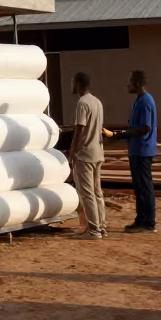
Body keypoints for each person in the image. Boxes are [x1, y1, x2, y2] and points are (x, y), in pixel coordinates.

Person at [68, 72, 107, 240]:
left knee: (87, 193)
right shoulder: (97, 101)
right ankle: (102, 227)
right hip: (98, 152)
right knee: (97, 192)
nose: (71, 86)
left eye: (72, 82)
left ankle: (93, 230)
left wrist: (72, 152)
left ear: (78, 84)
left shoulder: (82, 103)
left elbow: (79, 129)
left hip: (85, 153)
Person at [120, 70, 158, 233]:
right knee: (139, 186)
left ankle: (148, 222)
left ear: (136, 83)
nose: (127, 85)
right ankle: (141, 218)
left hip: (142, 150)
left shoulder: (145, 102)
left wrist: (126, 133)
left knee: (144, 186)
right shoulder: (138, 101)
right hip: (136, 150)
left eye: (129, 81)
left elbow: (145, 127)